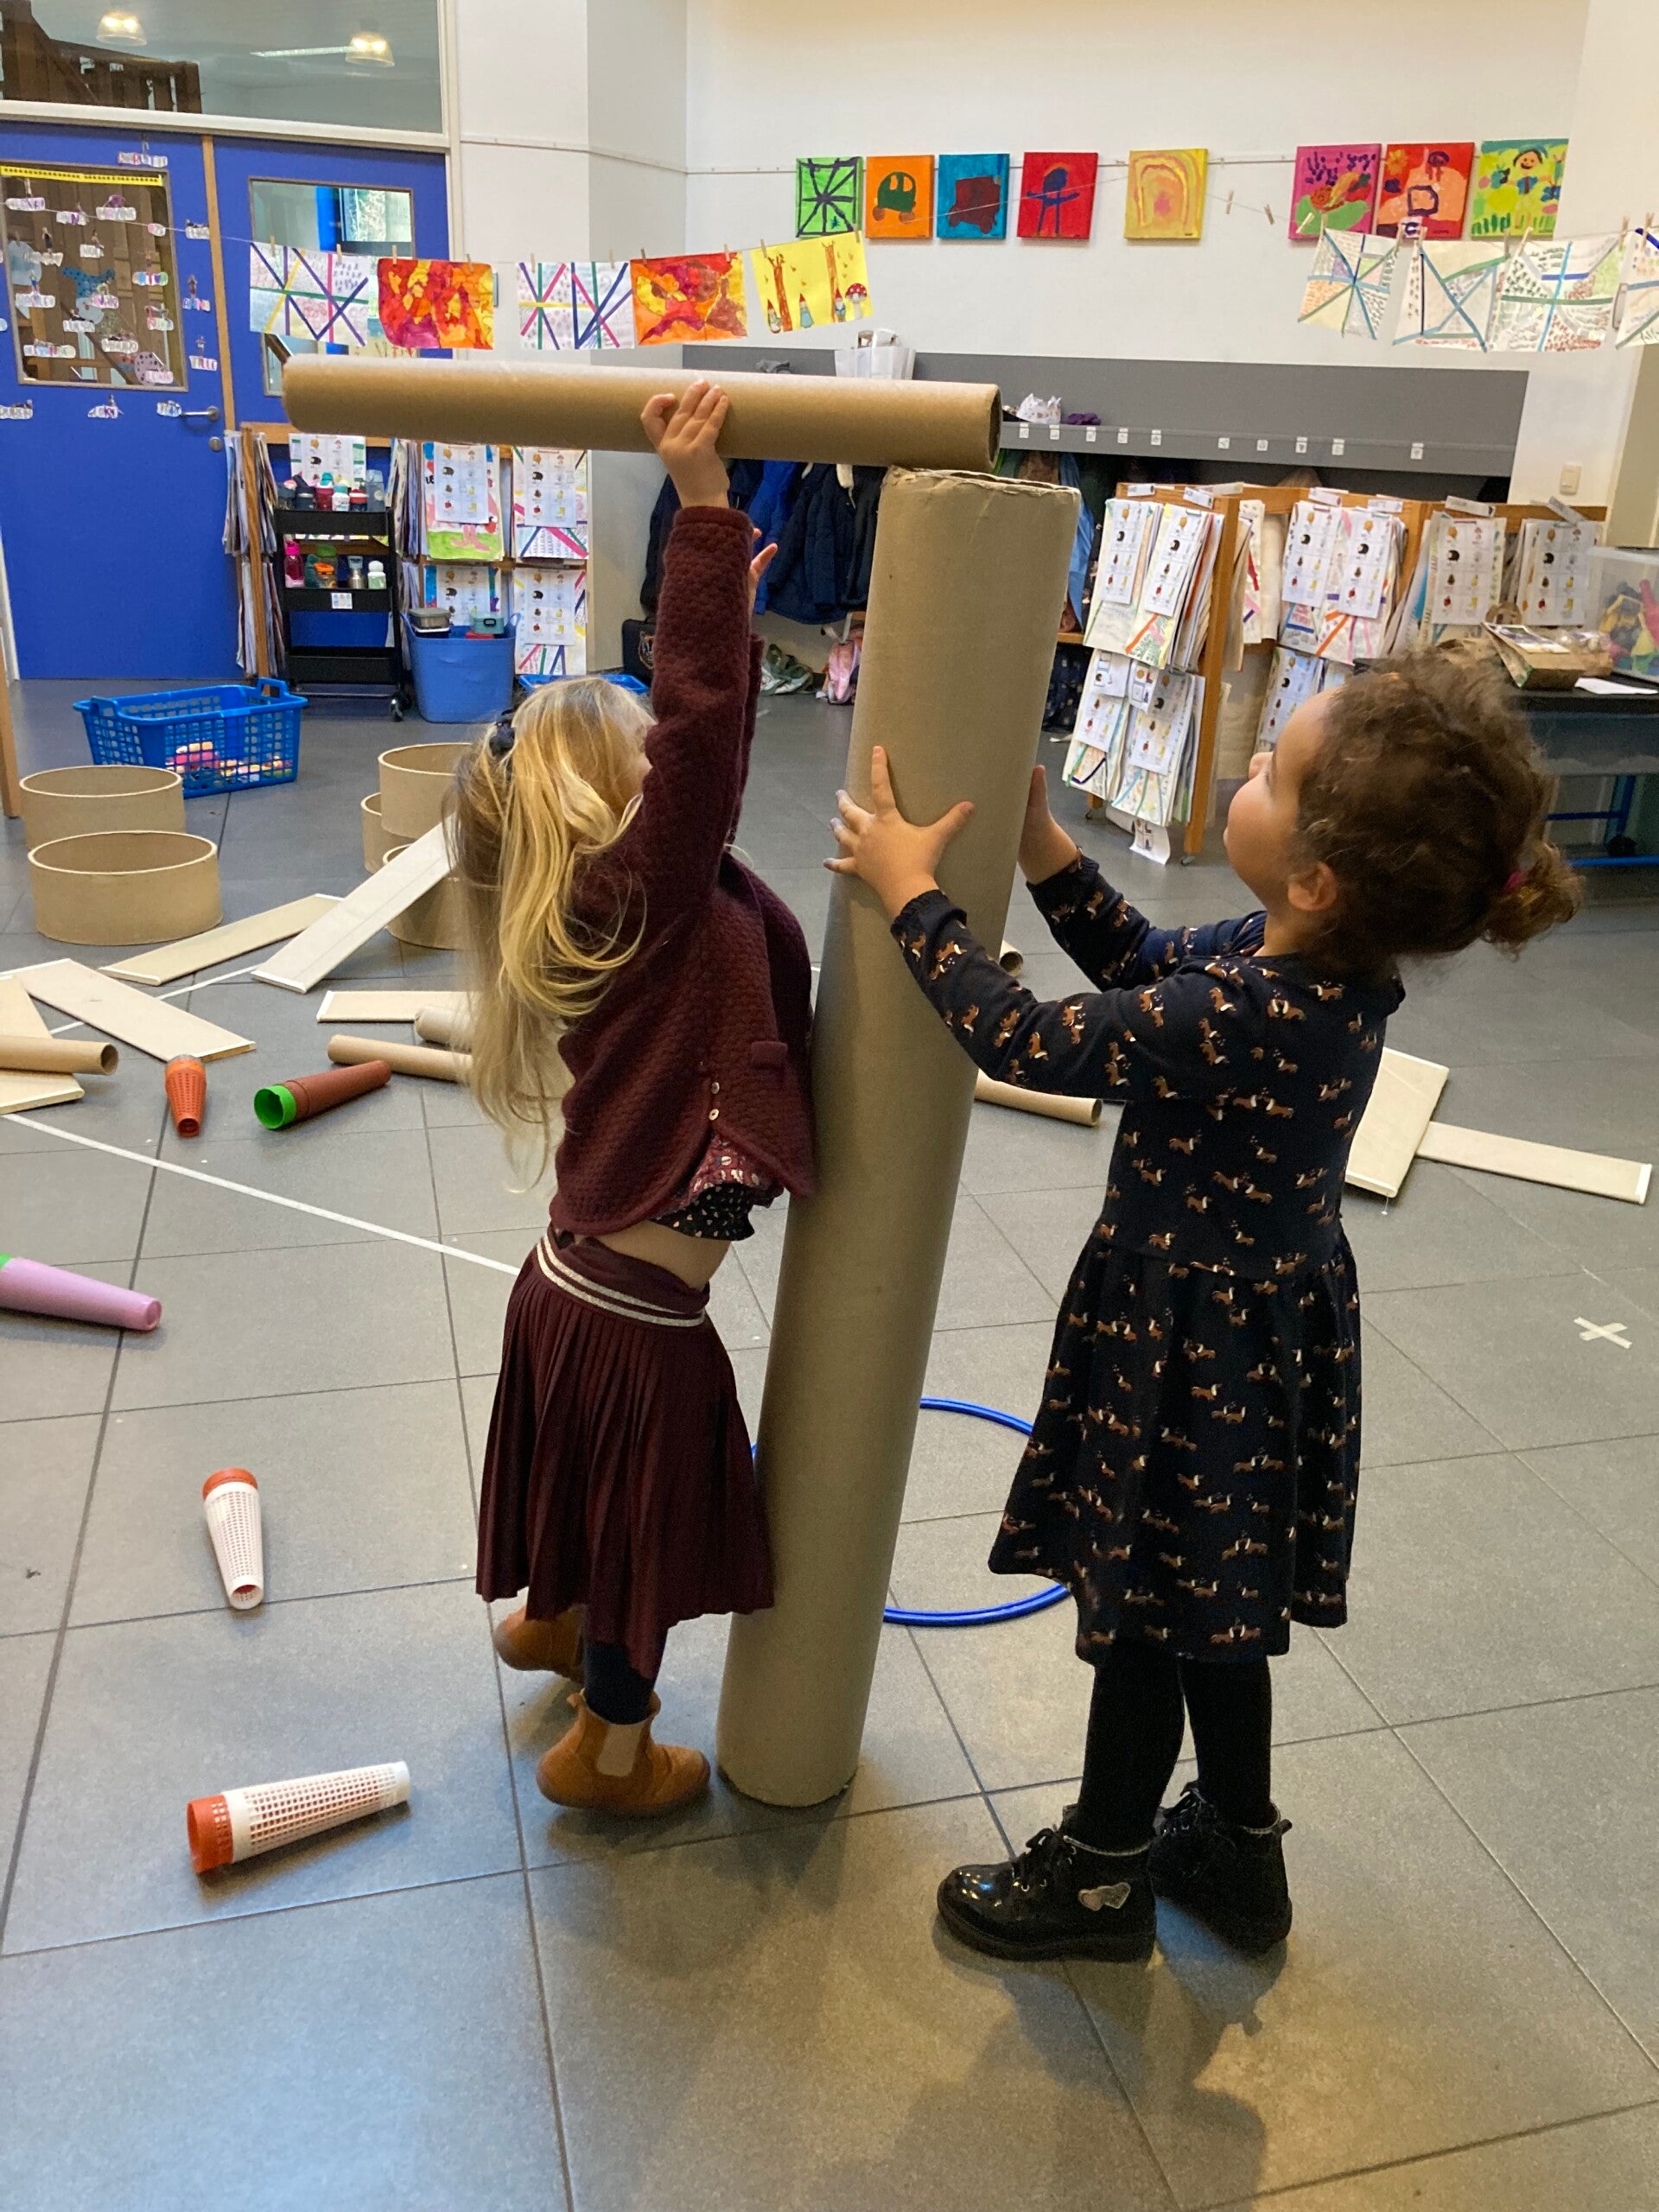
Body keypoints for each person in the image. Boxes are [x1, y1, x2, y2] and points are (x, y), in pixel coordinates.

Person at [828, 652, 1579, 1960]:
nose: (1249, 768)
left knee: (1144, 1624)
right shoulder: (1310, 968)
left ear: (1317, 878)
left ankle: (1103, 1878)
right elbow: (1140, 958)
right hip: (1258, 1346)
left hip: (1190, 1359)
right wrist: (1046, 849)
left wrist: (912, 896)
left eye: (1273, 773)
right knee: (1220, 1620)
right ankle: (1238, 1852)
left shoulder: (1249, 1010)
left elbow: (1028, 1039)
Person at [456, 382, 815, 1818]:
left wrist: (730, 605)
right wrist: (704, 515)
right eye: (637, 733)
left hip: (573, 1285)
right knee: (643, 1522)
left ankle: (548, 1618)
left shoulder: (610, 904)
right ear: (608, 803)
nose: (661, 738)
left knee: (581, 1483)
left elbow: (706, 753)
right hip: (638, 1321)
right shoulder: (640, 892)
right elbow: (705, 739)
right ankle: (609, 1749)